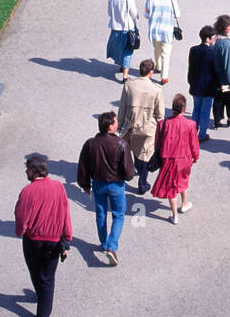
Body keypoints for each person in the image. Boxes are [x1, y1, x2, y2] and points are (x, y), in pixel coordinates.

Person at [14, 154, 72, 317]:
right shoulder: (59, 187)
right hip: (54, 240)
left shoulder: (28, 191)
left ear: (34, 171)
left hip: (33, 240)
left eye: (28, 169)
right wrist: (67, 237)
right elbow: (65, 213)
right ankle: (43, 312)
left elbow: (21, 215)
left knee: (35, 271)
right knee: (48, 276)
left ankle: (42, 305)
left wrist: (20, 231)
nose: (26, 171)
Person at [77, 112, 135, 265]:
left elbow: (83, 166)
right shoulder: (122, 144)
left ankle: (103, 244)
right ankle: (112, 246)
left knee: (101, 214)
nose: (117, 123)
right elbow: (129, 172)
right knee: (118, 215)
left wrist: (85, 185)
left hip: (98, 184)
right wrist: (127, 177)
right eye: (116, 122)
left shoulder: (90, 143)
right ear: (110, 127)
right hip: (116, 185)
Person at [151, 94, 200, 223]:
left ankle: (174, 216)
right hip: (184, 159)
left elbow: (157, 143)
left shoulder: (163, 124)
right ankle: (184, 204)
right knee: (183, 180)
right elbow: (194, 143)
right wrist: (196, 156)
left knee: (171, 188)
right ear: (184, 109)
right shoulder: (190, 124)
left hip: (168, 159)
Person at [117, 60, 163, 193]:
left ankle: (132, 170)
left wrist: (119, 125)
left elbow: (122, 108)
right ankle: (142, 183)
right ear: (151, 72)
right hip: (148, 128)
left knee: (132, 151)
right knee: (144, 155)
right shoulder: (157, 90)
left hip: (131, 126)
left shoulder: (129, 85)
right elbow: (160, 115)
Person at [186, 25, 222, 142]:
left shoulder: (193, 50)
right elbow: (217, 71)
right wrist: (220, 84)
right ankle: (201, 135)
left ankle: (192, 133)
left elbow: (191, 68)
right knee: (205, 112)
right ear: (208, 38)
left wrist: (190, 82)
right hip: (208, 88)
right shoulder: (213, 53)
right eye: (213, 37)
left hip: (195, 86)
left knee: (196, 109)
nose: (215, 39)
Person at [144, 0, 182, 85]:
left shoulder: (150, 0)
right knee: (166, 54)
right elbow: (177, 15)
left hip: (154, 31)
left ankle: (158, 66)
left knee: (157, 50)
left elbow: (146, 15)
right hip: (167, 31)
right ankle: (164, 76)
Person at [106, 0, 140, 83]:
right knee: (128, 51)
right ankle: (125, 76)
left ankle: (122, 65)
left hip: (115, 28)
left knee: (118, 48)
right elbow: (134, 14)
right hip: (127, 28)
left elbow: (109, 13)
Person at [211, 14, 230, 130]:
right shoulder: (226, 44)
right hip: (226, 78)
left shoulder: (214, 39)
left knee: (218, 99)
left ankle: (217, 119)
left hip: (216, 76)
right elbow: (229, 64)